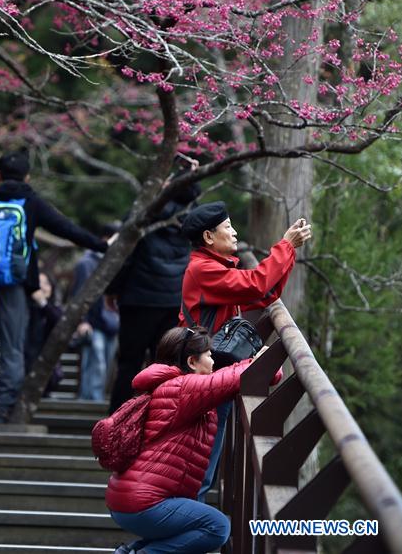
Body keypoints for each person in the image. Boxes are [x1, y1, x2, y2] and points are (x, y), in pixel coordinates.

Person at [0, 148, 111, 424]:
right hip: (16, 284)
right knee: (12, 348)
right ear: (27, 177)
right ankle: (2, 409)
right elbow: (66, 228)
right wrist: (101, 245)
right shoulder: (31, 202)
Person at [179, 200, 312, 502]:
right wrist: (285, 246)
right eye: (228, 227)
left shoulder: (211, 267)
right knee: (201, 468)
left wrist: (288, 251)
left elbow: (265, 293)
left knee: (205, 463)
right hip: (206, 378)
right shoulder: (203, 270)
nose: (235, 233)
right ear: (208, 237)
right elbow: (255, 285)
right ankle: (187, 521)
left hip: (212, 372)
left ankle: (189, 517)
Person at [106, 326, 281, 554]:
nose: (214, 361)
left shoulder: (176, 387)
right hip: (142, 503)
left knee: (185, 533)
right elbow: (234, 377)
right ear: (191, 362)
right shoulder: (182, 388)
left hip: (131, 499)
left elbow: (254, 377)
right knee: (217, 527)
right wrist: (263, 360)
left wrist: (267, 365)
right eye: (209, 355)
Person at [107, 179, 201, 414]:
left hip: (138, 298)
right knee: (165, 365)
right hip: (173, 299)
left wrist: (113, 289)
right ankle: (157, 420)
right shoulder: (192, 216)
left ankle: (118, 420)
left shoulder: (147, 211)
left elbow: (124, 251)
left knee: (129, 363)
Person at [70, 227, 120, 401]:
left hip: (112, 322)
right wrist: (82, 320)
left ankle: (92, 398)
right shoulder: (86, 263)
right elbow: (79, 294)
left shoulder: (115, 261)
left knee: (104, 364)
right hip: (93, 320)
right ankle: (91, 400)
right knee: (96, 362)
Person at [25, 270, 63, 397]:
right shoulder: (25, 310)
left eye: (46, 283)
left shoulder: (55, 310)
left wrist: (43, 303)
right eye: (38, 283)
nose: (41, 287)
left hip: (47, 369)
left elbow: (60, 322)